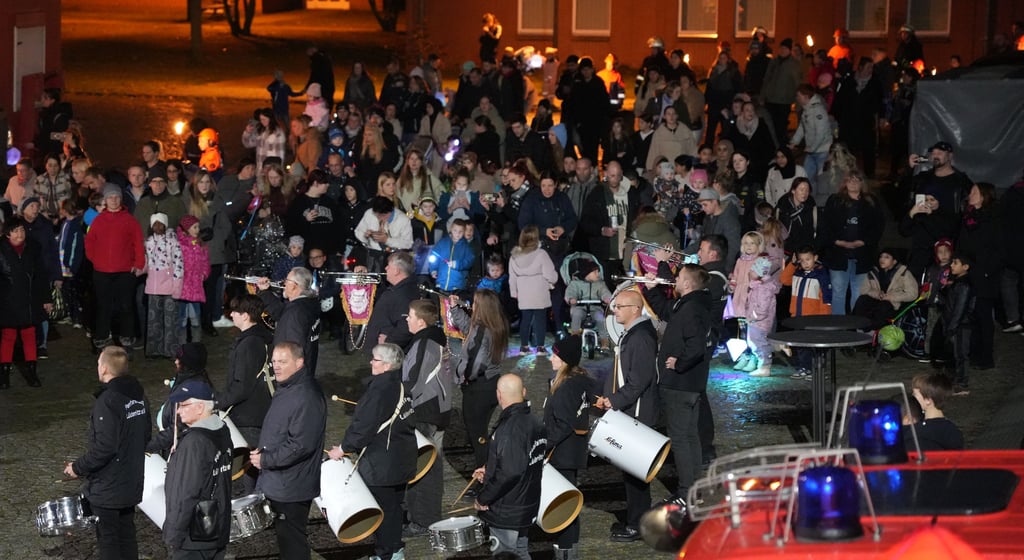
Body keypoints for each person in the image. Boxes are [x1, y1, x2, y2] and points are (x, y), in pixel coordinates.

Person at [330, 343, 416, 560]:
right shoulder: (402, 386)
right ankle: (395, 550)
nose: (370, 362)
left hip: (382, 463)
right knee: (395, 508)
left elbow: (363, 426)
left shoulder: (378, 390)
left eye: (375, 359)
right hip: (402, 458)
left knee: (384, 510)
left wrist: (343, 448)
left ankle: (385, 554)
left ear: (386, 365)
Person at [64, 346, 151, 560]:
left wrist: (77, 467)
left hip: (108, 486)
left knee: (109, 539)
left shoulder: (108, 401)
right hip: (131, 480)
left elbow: (105, 447)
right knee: (127, 535)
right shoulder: (139, 395)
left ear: (103, 369)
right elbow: (146, 435)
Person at [641, 264, 711, 505]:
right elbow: (664, 310)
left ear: (688, 284)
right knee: (690, 437)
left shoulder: (692, 309)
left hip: (680, 384)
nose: (675, 280)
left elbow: (696, 345)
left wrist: (679, 363)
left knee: (681, 439)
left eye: (679, 277)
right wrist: (651, 289)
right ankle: (695, 489)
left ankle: (686, 493)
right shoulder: (690, 304)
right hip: (688, 385)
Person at [250, 341, 326, 560]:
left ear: (299, 362)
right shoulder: (289, 387)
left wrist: (266, 460)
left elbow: (301, 445)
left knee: (293, 543)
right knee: (287, 540)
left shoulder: (306, 396)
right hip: (282, 481)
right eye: (274, 361)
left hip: (292, 485)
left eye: (283, 361)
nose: (277, 366)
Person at [594, 289, 658, 541]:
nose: (614, 310)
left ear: (634, 308)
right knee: (631, 472)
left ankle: (638, 525)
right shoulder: (634, 334)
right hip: (631, 409)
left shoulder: (640, 337)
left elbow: (639, 379)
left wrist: (615, 400)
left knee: (635, 473)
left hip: (637, 413)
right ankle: (636, 520)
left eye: (619, 306)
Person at [472, 373, 546, 559]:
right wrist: (489, 471)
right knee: (520, 551)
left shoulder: (509, 429)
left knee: (505, 554)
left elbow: (511, 471)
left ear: (498, 395)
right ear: (524, 392)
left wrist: (484, 498)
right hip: (526, 503)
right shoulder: (535, 422)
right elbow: (521, 461)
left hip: (507, 509)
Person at [162, 379, 233, 559]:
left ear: (200, 407)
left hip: (194, 536)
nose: (178, 410)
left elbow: (185, 493)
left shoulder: (194, 443)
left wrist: (173, 535)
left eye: (184, 405)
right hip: (217, 526)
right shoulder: (222, 430)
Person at [401, 300, 452, 534]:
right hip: (433, 410)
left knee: (425, 469)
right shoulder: (430, 340)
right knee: (429, 467)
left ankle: (423, 520)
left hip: (424, 411)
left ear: (421, 321)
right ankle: (422, 516)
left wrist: (400, 400)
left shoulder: (425, 342)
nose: (407, 319)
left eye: (410, 316)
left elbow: (416, 380)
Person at [542, 335, 593, 558]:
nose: (551, 358)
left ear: (564, 360)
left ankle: (566, 553)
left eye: (555, 355)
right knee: (568, 503)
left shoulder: (565, 387)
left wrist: (542, 445)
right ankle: (568, 550)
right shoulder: (577, 381)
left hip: (562, 454)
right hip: (570, 452)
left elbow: (562, 424)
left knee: (565, 506)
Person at [217, 294, 274, 493]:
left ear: (246, 315)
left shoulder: (249, 344)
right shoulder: (263, 338)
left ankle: (255, 506)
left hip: (248, 415)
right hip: (261, 409)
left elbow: (241, 385)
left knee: (250, 467)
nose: (231, 314)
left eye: (235, 311)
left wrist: (217, 402)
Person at [86, 184, 145, 350]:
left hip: (125, 271)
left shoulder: (129, 220)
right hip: (102, 271)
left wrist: (138, 263)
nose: (114, 200)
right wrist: (95, 260)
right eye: (110, 197)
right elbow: (90, 242)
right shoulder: (98, 220)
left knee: (126, 305)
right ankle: (102, 337)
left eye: (117, 197)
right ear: (105, 200)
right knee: (103, 306)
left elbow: (138, 243)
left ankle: (127, 337)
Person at [817, 171, 884, 315]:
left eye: (857, 180)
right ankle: (839, 330)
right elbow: (825, 225)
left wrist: (864, 241)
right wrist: (837, 241)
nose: (853, 183)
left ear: (862, 183)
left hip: (862, 255)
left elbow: (878, 226)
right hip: (838, 255)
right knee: (838, 292)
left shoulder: (871, 201)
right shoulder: (835, 200)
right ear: (845, 183)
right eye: (850, 180)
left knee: (859, 293)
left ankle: (856, 328)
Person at [0, 217, 52, 388]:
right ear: (7, 234)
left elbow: (41, 275)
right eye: (15, 231)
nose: (20, 234)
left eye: (22, 230)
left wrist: (46, 299)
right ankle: (4, 374)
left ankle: (31, 372)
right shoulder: (2, 250)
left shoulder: (33, 248)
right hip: (8, 300)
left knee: (29, 335)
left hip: (30, 299)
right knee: (8, 336)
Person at [256, 267, 321, 376]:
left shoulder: (295, 312)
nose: (284, 283)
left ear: (294, 285)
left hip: (293, 375)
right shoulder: (309, 303)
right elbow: (282, 312)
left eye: (287, 280)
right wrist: (264, 292)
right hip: (306, 369)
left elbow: (292, 348)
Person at [781, 246, 833, 379]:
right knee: (800, 344)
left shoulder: (821, 275)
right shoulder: (797, 272)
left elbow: (826, 298)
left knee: (815, 346)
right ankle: (805, 367)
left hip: (814, 318)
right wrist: (792, 265)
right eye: (801, 260)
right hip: (798, 316)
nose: (805, 263)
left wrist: (824, 317)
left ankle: (818, 370)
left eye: (808, 259)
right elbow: (784, 280)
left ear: (815, 258)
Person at [509, 225, 558, 353]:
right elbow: (550, 274)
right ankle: (540, 347)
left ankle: (524, 346)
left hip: (523, 291)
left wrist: (514, 292)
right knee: (540, 320)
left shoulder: (514, 256)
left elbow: (512, 276)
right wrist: (553, 281)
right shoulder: (541, 254)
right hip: (539, 291)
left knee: (525, 319)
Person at [364, 251, 419, 353]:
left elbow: (406, 326)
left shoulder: (404, 295)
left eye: (388, 266)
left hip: (388, 353)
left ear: (397, 271)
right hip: (383, 351)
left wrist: (389, 341)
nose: (385, 269)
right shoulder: (397, 289)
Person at [939, 253, 975, 396]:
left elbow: (960, 308)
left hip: (961, 325)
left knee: (961, 354)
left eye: (955, 263)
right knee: (956, 354)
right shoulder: (957, 283)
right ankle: (956, 381)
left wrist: (952, 327)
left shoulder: (964, 285)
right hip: (956, 324)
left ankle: (962, 384)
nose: (952, 265)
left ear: (965, 267)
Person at [902, 372, 964, 451]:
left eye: (915, 395)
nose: (913, 398)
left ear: (928, 400)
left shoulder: (918, 433)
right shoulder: (954, 430)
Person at [761, 38, 803, 145]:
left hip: (784, 101)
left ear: (789, 50)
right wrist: (763, 95)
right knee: (769, 125)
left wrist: (798, 101)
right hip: (770, 99)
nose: (782, 50)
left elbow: (797, 82)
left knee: (781, 127)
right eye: (781, 48)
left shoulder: (794, 64)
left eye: (785, 48)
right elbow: (766, 79)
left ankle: (780, 147)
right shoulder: (774, 62)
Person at [565, 259, 612, 348]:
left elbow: (604, 292)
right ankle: (574, 338)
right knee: (576, 315)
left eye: (598, 272)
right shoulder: (575, 283)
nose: (598, 274)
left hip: (595, 307)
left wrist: (607, 298)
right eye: (595, 272)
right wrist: (571, 299)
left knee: (601, 318)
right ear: (587, 273)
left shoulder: (600, 284)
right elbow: (570, 292)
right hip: (580, 307)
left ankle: (604, 341)